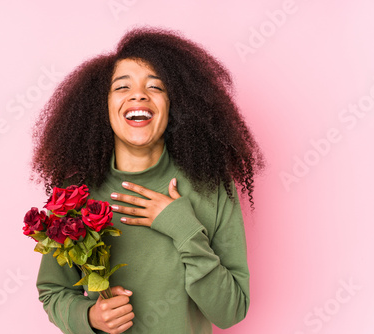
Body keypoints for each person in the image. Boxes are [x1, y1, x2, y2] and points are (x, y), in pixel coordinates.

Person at [32, 27, 265, 334]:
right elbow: (53, 291)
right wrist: (90, 317)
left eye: (155, 87)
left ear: (174, 106)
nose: (138, 94)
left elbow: (230, 311)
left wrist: (183, 228)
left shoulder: (214, 187)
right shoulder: (74, 196)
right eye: (122, 87)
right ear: (101, 107)